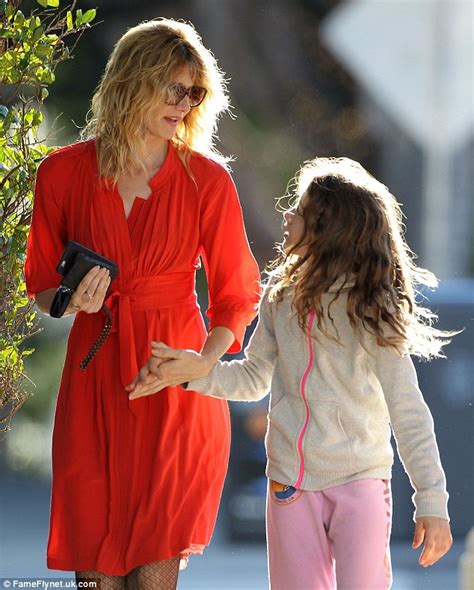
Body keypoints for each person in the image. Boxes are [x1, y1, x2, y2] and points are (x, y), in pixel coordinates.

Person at [136, 157, 454, 589]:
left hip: (359, 483)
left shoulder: (371, 309)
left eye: (299, 211)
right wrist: (194, 372)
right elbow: (253, 377)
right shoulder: (280, 297)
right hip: (290, 485)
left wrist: (431, 502)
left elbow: (409, 413)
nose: (287, 216)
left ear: (328, 229)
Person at [24, 18, 260, 589]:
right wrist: (70, 299)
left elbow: (238, 291)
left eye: (195, 92)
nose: (184, 104)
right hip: (95, 380)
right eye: (173, 88)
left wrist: (206, 362)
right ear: (134, 81)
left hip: (174, 384)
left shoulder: (207, 181)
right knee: (94, 571)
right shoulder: (62, 172)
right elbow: (39, 283)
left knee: (155, 572)